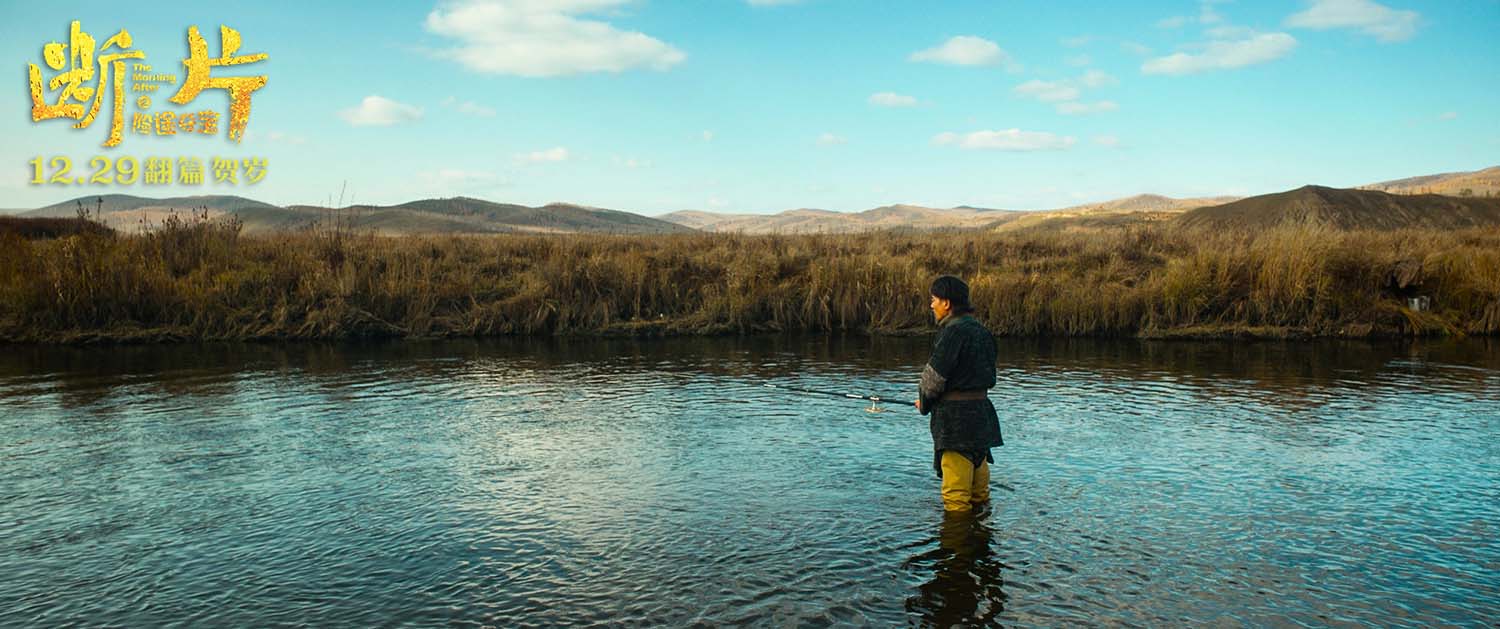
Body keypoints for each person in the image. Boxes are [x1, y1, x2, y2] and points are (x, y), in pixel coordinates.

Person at [915, 275, 1002, 512]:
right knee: (980, 494)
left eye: (934, 300)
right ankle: (981, 541)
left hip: (955, 424)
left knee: (955, 499)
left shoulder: (952, 333)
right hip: (982, 419)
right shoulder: (983, 332)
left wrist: (924, 403)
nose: (931, 305)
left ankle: (958, 543)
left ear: (947, 303)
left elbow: (932, 380)